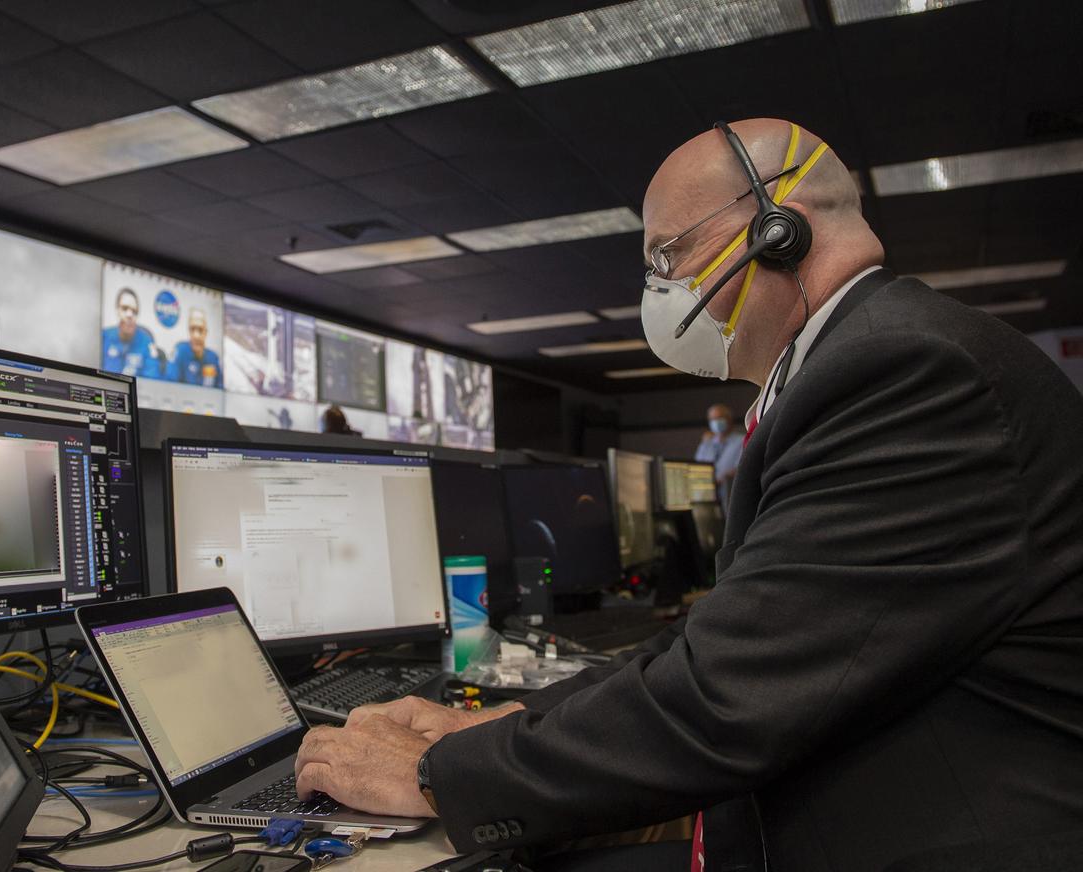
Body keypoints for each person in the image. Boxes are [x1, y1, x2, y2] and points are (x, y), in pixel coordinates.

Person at [290, 118, 1083, 872]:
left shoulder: (905, 372)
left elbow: (724, 699)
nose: (660, 288)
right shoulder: (861, 363)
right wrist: (507, 720)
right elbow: (714, 644)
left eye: (668, 256)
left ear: (781, 229)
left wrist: (436, 774)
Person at [101, 287, 161, 379]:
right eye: (124, 309)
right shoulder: (103, 337)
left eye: (134, 311)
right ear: (117, 310)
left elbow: (153, 381)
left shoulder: (147, 342)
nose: (129, 315)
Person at [693, 403, 744, 508]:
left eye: (720, 418)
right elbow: (696, 468)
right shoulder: (706, 444)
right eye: (713, 419)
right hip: (706, 499)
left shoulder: (742, 441)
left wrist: (721, 479)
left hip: (730, 498)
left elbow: (742, 468)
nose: (716, 422)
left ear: (729, 419)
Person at [166, 308, 222, 387]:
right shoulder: (180, 351)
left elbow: (219, 387)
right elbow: (169, 383)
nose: (196, 336)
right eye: (192, 330)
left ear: (206, 333)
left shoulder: (213, 358)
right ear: (189, 332)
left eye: (200, 330)